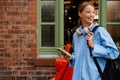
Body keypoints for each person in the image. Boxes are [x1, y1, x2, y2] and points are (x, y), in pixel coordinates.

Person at [68, 1, 119, 80]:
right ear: (80, 14)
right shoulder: (76, 35)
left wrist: (94, 46)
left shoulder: (100, 31)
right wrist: (72, 57)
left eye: (93, 12)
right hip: (78, 77)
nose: (91, 15)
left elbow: (114, 53)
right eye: (88, 12)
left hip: (95, 77)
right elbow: (78, 55)